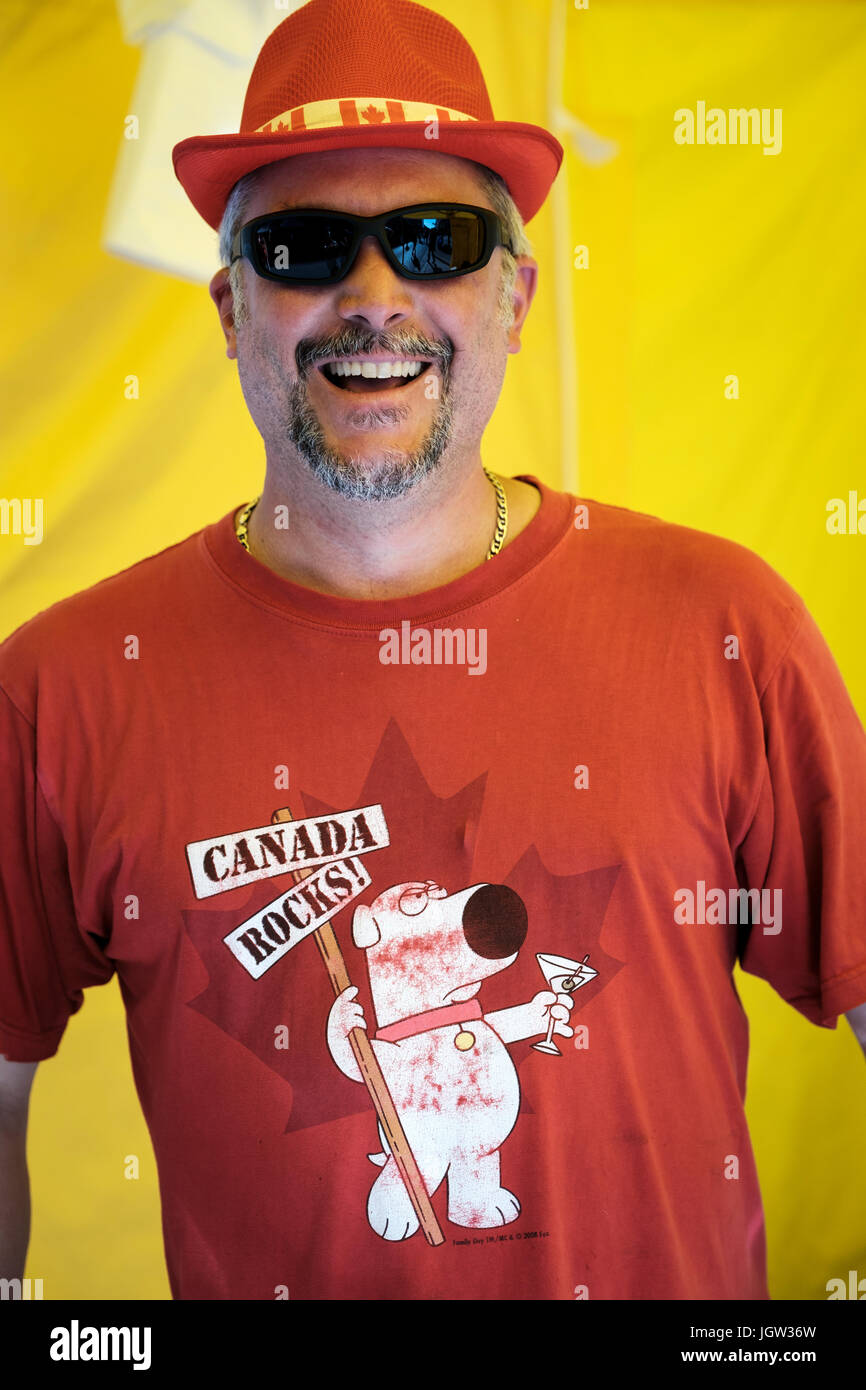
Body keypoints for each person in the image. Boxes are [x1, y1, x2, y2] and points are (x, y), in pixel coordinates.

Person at [1, 0, 865, 1302]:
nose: (371, 296)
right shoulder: (60, 689)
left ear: (512, 296)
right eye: (302, 248)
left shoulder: (723, 627)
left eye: (432, 240)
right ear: (230, 310)